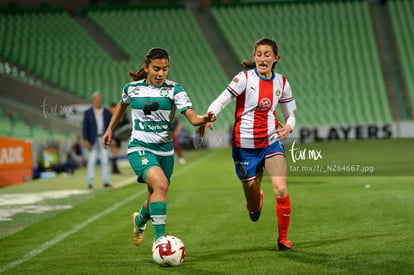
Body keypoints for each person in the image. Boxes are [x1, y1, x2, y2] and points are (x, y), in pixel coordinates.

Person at [102, 48, 216, 247]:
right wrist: (110, 128)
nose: (161, 73)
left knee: (156, 195)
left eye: (165, 69)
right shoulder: (132, 88)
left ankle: (139, 221)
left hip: (165, 152)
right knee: (161, 185)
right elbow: (122, 105)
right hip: (140, 148)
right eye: (156, 69)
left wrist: (203, 119)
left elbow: (191, 116)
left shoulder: (174, 90)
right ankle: (160, 243)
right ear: (146, 68)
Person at [198, 38, 297, 251]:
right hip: (244, 146)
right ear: (254, 57)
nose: (262, 58)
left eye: (267, 54)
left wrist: (289, 126)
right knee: (253, 206)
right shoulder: (243, 78)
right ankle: (255, 202)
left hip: (271, 142)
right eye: (259, 54)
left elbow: (290, 115)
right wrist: (211, 114)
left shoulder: (282, 82)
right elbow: (221, 100)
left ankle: (283, 239)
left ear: (275, 58)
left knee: (280, 188)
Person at [83, 92, 112, 189]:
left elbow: (110, 126)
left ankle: (105, 181)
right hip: (92, 139)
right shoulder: (88, 113)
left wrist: (110, 137)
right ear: (93, 100)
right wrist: (85, 139)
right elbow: (85, 127)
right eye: (96, 99)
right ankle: (90, 182)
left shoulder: (106, 112)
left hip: (103, 138)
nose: (97, 101)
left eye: (99, 99)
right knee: (91, 161)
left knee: (105, 161)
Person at [109, 102, 130, 174]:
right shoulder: (110, 116)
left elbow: (126, 123)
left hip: (118, 136)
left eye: (111, 108)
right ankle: (114, 169)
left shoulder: (121, 115)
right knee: (114, 152)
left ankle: (115, 169)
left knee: (116, 152)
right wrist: (111, 138)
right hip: (113, 136)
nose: (110, 110)